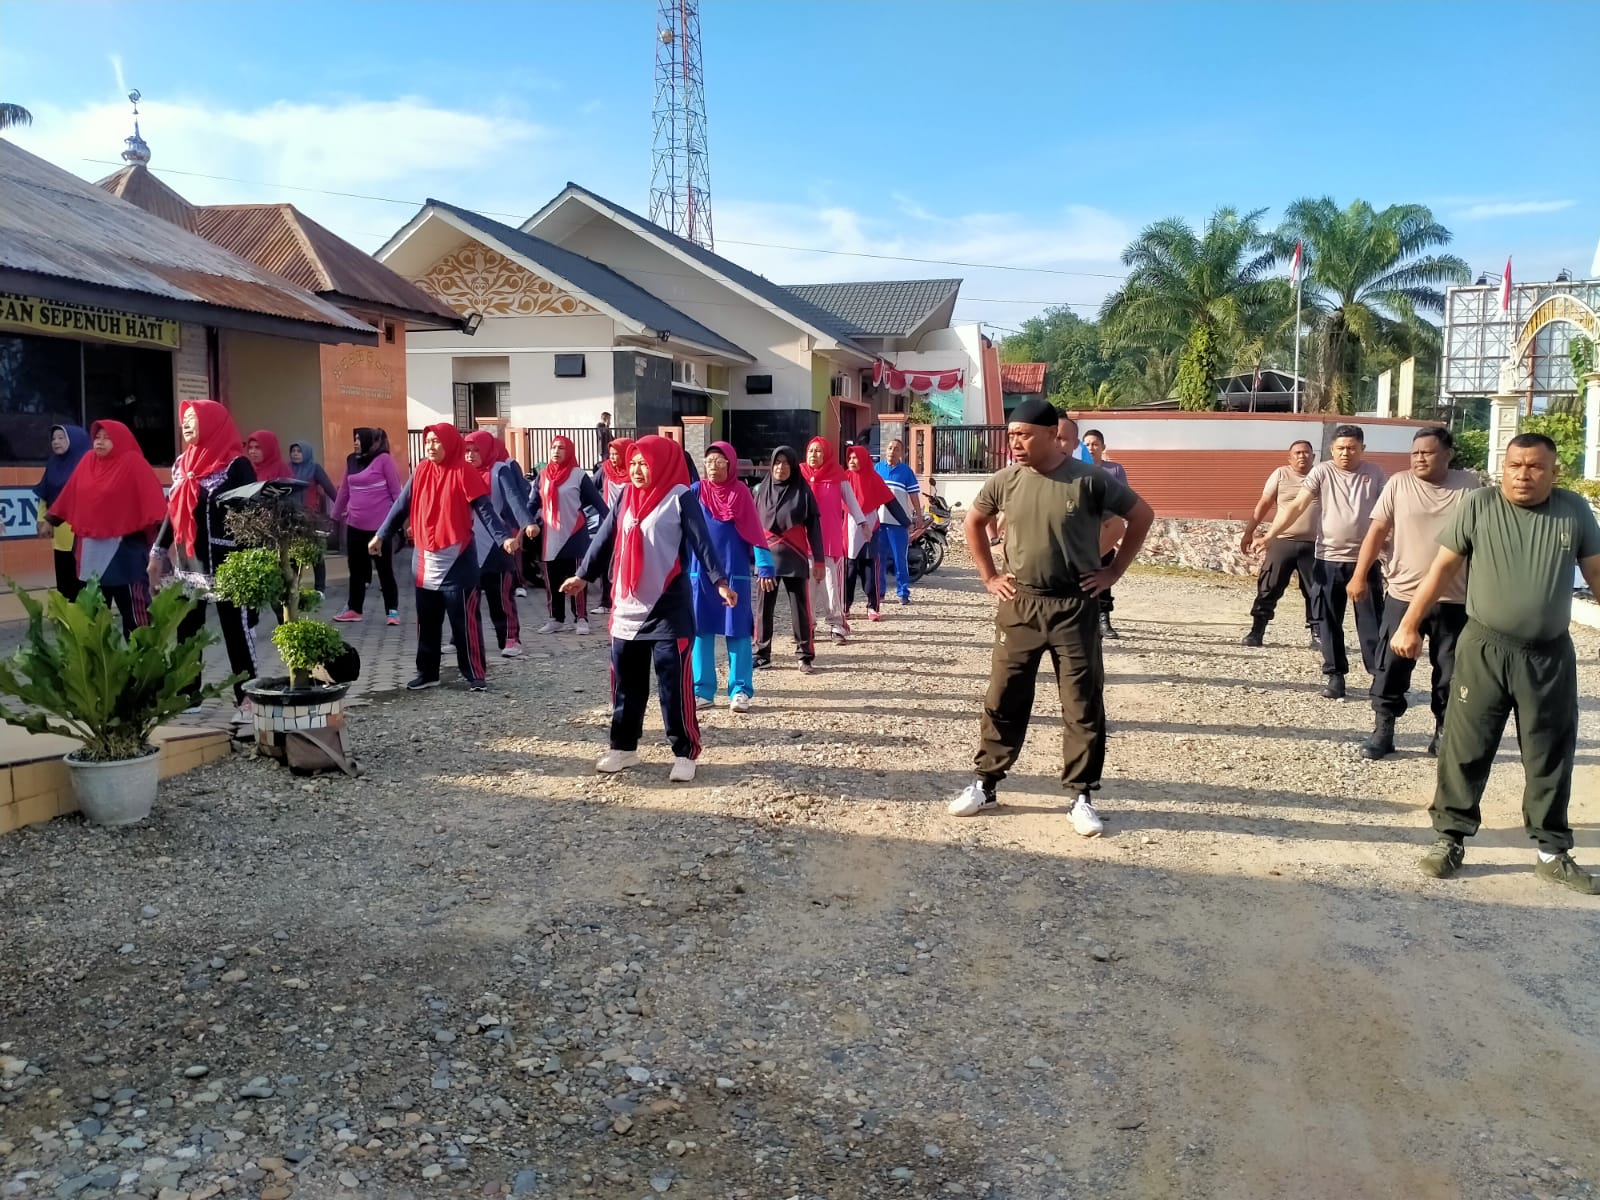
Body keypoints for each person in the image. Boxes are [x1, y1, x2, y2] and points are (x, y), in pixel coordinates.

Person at [1394, 433, 1600, 894]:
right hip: (1484, 649)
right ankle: (1449, 838)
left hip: (1548, 656)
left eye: (1535, 467)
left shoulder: (1573, 511)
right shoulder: (1479, 505)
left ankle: (1551, 852)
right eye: (1514, 465)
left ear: (1553, 472)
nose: (1523, 475)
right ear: (1502, 468)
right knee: (1466, 746)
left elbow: (1596, 573)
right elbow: (1442, 569)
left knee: (1550, 752)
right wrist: (1409, 624)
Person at [949, 399, 1154, 837]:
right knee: (1004, 695)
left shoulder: (1088, 479)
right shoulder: (1005, 480)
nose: (1014, 443)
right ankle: (985, 784)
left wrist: (1113, 572)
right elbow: (974, 522)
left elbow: (1141, 515)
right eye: (1011, 436)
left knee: (1081, 701)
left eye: (1022, 435)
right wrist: (989, 577)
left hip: (1074, 606)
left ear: (1050, 434)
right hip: (1021, 603)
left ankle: (1081, 796)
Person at [566, 435, 737, 782]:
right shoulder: (626, 495)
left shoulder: (679, 497)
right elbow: (605, 537)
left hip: (667, 610)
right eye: (633, 463)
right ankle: (623, 747)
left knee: (673, 687)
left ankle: (685, 752)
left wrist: (719, 581)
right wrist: (583, 575)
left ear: (661, 463)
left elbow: (701, 542)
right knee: (626, 685)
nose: (636, 470)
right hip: (626, 608)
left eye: (643, 463)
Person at [1350, 427, 1477, 760]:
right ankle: (1383, 730)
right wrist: (1359, 575)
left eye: (1428, 452)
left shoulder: (1469, 486)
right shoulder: (1398, 484)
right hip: (1403, 593)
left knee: (1451, 671)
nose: (1419, 458)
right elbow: (1377, 530)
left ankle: (1443, 732)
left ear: (1448, 454)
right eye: (1415, 452)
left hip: (1454, 599)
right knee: (1390, 665)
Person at [372, 423, 520, 693]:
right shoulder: (421, 470)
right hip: (425, 558)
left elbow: (484, 509)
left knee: (464, 622)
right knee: (427, 621)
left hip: (457, 559)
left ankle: (474, 674)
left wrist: (503, 538)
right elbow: (401, 505)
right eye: (428, 441)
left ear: (449, 444)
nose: (430, 446)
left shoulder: (463, 471)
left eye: (436, 441)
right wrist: (381, 535)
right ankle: (427, 672)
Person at [1253, 424, 1385, 699]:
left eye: (1352, 448)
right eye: (1340, 448)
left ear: (1362, 448)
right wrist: (1270, 535)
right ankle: (1335, 676)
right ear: (1331, 450)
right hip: (1328, 559)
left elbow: (1389, 513)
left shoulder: (1374, 473)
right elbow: (1297, 505)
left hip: (1365, 561)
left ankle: (1378, 677)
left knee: (1371, 622)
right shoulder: (1322, 472)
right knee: (1328, 620)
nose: (1345, 453)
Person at [148, 400, 259, 717]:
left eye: (193, 418)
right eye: (183, 418)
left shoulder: (236, 465)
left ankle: (248, 697)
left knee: (235, 632)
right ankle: (188, 694)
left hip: (228, 561)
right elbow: (173, 511)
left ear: (212, 423)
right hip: (189, 562)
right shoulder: (182, 464)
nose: (186, 424)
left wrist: (253, 559)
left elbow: (253, 515)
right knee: (188, 631)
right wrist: (158, 551)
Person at [46, 420, 166, 635]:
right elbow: (70, 493)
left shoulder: (133, 463)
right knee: (92, 622)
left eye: (106, 438)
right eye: (97, 437)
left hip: (125, 551)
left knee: (136, 618)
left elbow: (154, 504)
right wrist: (51, 520)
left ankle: (142, 655)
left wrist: (160, 549)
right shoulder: (87, 461)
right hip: (90, 552)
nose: (99, 442)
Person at [688, 441, 767, 712]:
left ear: (730, 464)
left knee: (739, 631)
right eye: (709, 462)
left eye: (719, 462)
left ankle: (740, 689)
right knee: (701, 631)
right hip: (700, 573)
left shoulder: (740, 492)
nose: (713, 467)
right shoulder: (696, 491)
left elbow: (755, 530)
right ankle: (702, 690)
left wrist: (765, 565)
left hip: (735, 572)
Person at [1238, 440, 1319, 647]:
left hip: (1314, 544)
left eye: (1306, 452)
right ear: (1289, 458)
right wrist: (1249, 532)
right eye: (1297, 453)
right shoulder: (1281, 474)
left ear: (1314, 456)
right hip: (1282, 542)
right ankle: (1257, 631)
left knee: (1316, 590)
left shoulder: (1321, 475)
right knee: (1269, 586)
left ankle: (1318, 634)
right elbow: (1264, 504)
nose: (1302, 456)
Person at [465, 430, 537, 659]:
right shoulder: (461, 472)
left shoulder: (499, 470)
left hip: (498, 544)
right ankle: (461, 639)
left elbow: (514, 497)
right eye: (467, 450)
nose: (470, 455)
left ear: (487, 450)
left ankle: (510, 638)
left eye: (476, 450)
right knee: (466, 597)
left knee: (500, 596)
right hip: (467, 544)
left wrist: (527, 522)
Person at [753, 446, 825, 674]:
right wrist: (754, 560)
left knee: (800, 609)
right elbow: (752, 527)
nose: (780, 467)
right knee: (763, 608)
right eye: (777, 462)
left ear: (793, 466)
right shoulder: (760, 491)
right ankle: (761, 653)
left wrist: (819, 561)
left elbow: (814, 529)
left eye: (785, 463)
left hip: (795, 557)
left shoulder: (803, 492)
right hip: (767, 559)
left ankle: (804, 655)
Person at [533, 435, 608, 635]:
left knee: (577, 577)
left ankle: (581, 618)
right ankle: (555, 619)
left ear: (569, 451)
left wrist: (614, 526)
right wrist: (527, 523)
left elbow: (597, 502)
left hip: (575, 534)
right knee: (552, 580)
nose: (556, 451)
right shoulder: (542, 476)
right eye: (553, 447)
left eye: (561, 448)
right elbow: (532, 503)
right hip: (550, 537)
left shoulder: (578, 475)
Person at [331, 428, 403, 626]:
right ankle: (354, 609)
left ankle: (392, 611)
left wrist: (399, 522)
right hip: (355, 524)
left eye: (358, 439)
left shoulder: (384, 460)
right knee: (356, 569)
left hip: (379, 528)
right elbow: (344, 491)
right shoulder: (351, 461)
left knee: (384, 569)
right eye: (354, 439)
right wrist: (334, 516)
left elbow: (396, 492)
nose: (355, 442)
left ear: (368, 441)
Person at [800, 436, 867, 643]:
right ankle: (808, 626)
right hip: (804, 540)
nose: (814, 455)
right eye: (811, 451)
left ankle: (837, 625)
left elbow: (852, 502)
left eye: (818, 451)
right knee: (807, 587)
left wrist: (863, 523)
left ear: (827, 454)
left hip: (829, 540)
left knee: (831, 586)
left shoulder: (838, 476)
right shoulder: (799, 474)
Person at [843, 443, 909, 622]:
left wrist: (906, 522)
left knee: (870, 568)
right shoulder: (845, 478)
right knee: (849, 569)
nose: (852, 461)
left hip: (870, 529)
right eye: (850, 458)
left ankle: (872, 606)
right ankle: (845, 605)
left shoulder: (874, 479)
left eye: (855, 458)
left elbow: (890, 501)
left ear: (864, 459)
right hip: (849, 528)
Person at [1081, 428, 1128, 639]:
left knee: (1103, 572)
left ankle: (1103, 618)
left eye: (1095, 444)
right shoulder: (1075, 469)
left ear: (1103, 447)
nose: (1091, 448)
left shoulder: (1114, 470)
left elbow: (1124, 500)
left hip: (1106, 530)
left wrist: (1117, 534)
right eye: (1087, 444)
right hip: (1081, 530)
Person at [34, 424, 90, 601]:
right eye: (53, 439)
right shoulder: (53, 464)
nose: (56, 442)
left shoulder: (87, 465)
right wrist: (42, 519)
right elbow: (45, 494)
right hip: (60, 537)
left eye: (61, 437)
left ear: (75, 440)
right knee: (65, 587)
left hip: (83, 538)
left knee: (83, 587)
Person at [874, 438, 923, 605]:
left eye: (896, 449)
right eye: (890, 448)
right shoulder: (877, 469)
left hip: (899, 524)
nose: (892, 452)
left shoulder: (906, 472)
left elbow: (914, 496)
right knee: (879, 559)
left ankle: (903, 592)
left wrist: (919, 515)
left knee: (899, 559)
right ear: (885, 450)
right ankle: (879, 592)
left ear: (901, 453)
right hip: (879, 522)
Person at [591, 436, 635, 614]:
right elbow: (590, 488)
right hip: (607, 522)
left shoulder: (633, 471)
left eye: (617, 454)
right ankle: (605, 602)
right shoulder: (605, 470)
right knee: (605, 560)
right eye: (611, 454)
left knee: (626, 561)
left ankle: (625, 598)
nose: (613, 458)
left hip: (628, 524)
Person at [288, 440, 338, 594]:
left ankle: (319, 588)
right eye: (293, 451)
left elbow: (329, 488)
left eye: (299, 451)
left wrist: (341, 506)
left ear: (306, 453)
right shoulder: (286, 468)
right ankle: (294, 588)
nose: (295, 454)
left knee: (315, 553)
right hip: (291, 517)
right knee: (293, 554)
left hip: (311, 517)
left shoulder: (314, 468)